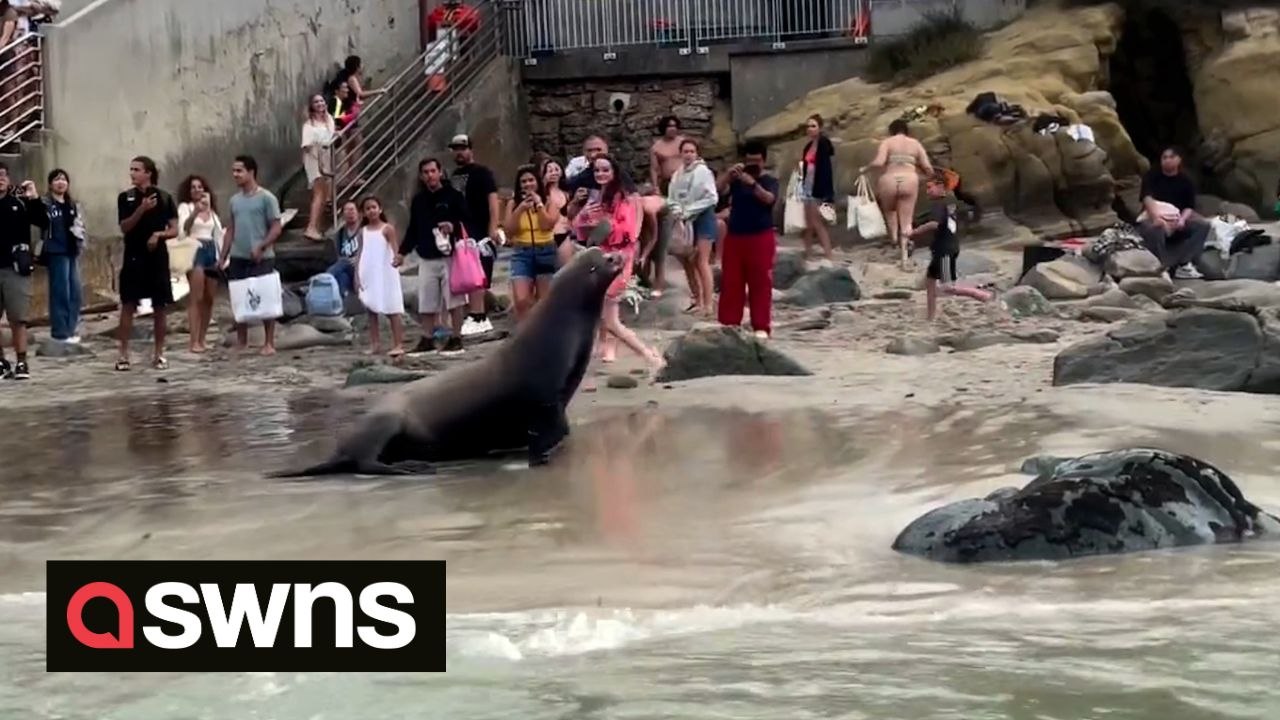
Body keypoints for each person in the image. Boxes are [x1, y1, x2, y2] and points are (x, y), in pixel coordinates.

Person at [568, 155, 664, 373]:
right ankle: (645, 355)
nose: (600, 174)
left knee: (610, 318)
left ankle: (649, 356)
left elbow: (629, 233)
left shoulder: (626, 199)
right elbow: (579, 229)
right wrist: (585, 217)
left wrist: (605, 224)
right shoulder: (599, 198)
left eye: (605, 170)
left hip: (619, 260)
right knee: (606, 317)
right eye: (597, 171)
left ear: (614, 172)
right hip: (602, 257)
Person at [397, 157, 469, 356]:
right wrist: (402, 252)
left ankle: (456, 337)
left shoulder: (453, 195)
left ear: (440, 172)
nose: (430, 175)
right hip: (426, 256)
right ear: (421, 176)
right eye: (426, 172)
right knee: (427, 301)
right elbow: (413, 229)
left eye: (432, 171)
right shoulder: (419, 200)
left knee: (454, 300)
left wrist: (452, 226)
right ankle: (427, 338)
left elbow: (466, 220)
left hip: (450, 254)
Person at [115, 156, 176, 372]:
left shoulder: (165, 197)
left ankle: (159, 353)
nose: (132, 173)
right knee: (128, 305)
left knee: (160, 307)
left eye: (137, 169)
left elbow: (175, 229)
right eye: (131, 169)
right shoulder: (126, 198)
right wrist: (141, 209)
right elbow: (125, 227)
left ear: (148, 173)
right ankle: (123, 353)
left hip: (157, 257)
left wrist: (159, 235)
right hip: (133, 256)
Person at [219, 154, 284, 356]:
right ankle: (242, 341)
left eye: (239, 170)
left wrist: (262, 246)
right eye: (233, 171)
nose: (235, 175)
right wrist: (223, 255)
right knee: (239, 298)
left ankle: (269, 342)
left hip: (262, 256)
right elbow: (231, 228)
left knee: (266, 298)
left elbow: (276, 227)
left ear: (251, 172)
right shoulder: (234, 200)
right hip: (239, 255)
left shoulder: (266, 198)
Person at [908, 173, 994, 321]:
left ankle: (981, 295)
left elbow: (934, 224)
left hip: (945, 250)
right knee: (930, 282)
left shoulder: (939, 204)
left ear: (941, 186)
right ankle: (931, 317)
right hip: (943, 249)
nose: (927, 191)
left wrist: (914, 232)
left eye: (930, 187)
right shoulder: (949, 202)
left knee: (947, 287)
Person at [716, 142, 779, 339]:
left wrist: (752, 183)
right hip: (735, 236)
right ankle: (729, 323)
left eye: (757, 161)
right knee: (731, 281)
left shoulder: (769, 180)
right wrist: (729, 175)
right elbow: (716, 190)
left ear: (764, 161)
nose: (753, 164)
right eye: (749, 161)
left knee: (760, 281)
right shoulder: (736, 180)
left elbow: (769, 199)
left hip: (760, 236)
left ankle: (761, 325)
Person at [448, 133, 500, 336]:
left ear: (471, 150)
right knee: (465, 274)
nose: (459, 152)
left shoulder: (482, 173)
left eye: (462, 148)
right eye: (455, 149)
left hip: (479, 228)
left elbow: (493, 200)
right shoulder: (452, 176)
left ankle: (479, 316)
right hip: (460, 230)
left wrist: (493, 228)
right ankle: (474, 314)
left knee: (479, 273)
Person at [865, 119, 933, 269]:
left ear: (891, 131)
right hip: (909, 180)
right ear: (906, 130)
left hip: (889, 180)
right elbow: (928, 168)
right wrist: (925, 176)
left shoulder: (887, 143)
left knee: (890, 211)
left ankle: (894, 239)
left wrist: (865, 168)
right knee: (906, 220)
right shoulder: (915, 144)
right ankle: (904, 258)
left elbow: (879, 162)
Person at [0, 163, 45, 379]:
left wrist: (34, 198)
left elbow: (43, 221)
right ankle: (1, 361)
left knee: (18, 318)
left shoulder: (19, 202)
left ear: (8, 180)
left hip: (15, 267)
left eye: (2, 176)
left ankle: (21, 361)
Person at [1137, 146, 1209, 280]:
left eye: (1171, 157)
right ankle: (1160, 267)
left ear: (1179, 160)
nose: (1167, 160)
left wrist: (1182, 220)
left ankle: (1184, 263)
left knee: (1203, 225)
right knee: (1154, 228)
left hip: (1177, 216)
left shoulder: (1186, 180)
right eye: (1164, 158)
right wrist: (1157, 218)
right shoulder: (1152, 176)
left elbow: (1189, 206)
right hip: (1155, 215)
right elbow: (1147, 198)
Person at [666, 138, 719, 316]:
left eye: (691, 151)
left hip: (702, 218)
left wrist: (689, 210)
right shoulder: (677, 174)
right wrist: (677, 210)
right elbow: (671, 197)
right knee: (688, 261)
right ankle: (696, 298)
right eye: (685, 151)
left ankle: (708, 303)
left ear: (696, 154)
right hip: (684, 221)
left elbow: (711, 197)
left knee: (702, 260)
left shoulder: (703, 172)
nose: (688, 155)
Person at [503, 164, 560, 321]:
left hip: (545, 251)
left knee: (546, 302)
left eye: (531, 180)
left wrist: (539, 205)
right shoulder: (512, 203)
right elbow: (509, 230)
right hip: (522, 252)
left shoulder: (549, 201)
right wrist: (521, 208)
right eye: (523, 181)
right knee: (521, 300)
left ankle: (544, 335)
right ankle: (525, 334)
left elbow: (546, 225)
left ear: (538, 182)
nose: (528, 184)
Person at [175, 174, 224, 353]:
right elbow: (183, 231)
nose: (197, 190)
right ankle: (193, 340)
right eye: (193, 187)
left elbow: (218, 234)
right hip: (194, 250)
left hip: (211, 250)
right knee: (197, 297)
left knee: (209, 298)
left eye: (200, 187)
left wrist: (222, 257)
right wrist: (195, 212)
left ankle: (202, 339)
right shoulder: (185, 208)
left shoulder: (211, 211)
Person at [354, 195, 406, 357]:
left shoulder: (387, 229)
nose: (371, 211)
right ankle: (375, 343)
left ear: (380, 209)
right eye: (367, 209)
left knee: (392, 308)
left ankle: (398, 343)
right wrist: (357, 274)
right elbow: (360, 253)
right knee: (371, 310)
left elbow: (395, 250)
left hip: (385, 272)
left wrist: (397, 260)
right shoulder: (363, 231)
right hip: (369, 271)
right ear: (363, 213)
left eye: (374, 207)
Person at [39, 168, 86, 345]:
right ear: (50, 184)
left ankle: (70, 328)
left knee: (75, 292)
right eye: (57, 180)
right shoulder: (45, 204)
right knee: (60, 292)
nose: (61, 183)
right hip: (55, 250)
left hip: (72, 250)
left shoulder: (72, 204)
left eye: (64, 180)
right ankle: (60, 332)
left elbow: (80, 225)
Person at [797, 113, 835, 260]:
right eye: (808, 126)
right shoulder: (808, 146)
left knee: (816, 222)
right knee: (808, 223)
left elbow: (826, 169)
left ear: (820, 128)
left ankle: (828, 254)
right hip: (807, 185)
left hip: (817, 187)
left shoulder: (824, 143)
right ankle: (808, 252)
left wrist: (827, 192)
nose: (810, 129)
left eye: (813, 126)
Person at [301, 93, 336, 241]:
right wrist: (318, 161)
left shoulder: (329, 120)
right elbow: (307, 146)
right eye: (316, 102)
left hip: (327, 158)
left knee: (324, 194)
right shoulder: (309, 125)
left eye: (322, 100)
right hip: (315, 160)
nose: (320, 103)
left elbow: (331, 136)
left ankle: (316, 226)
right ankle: (311, 226)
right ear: (312, 106)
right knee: (319, 193)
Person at [540, 158, 575, 268]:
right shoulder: (541, 193)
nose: (553, 172)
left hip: (563, 235)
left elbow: (569, 214)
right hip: (546, 236)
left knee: (565, 271)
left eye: (556, 169)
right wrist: (543, 183)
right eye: (549, 170)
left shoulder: (566, 193)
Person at [325, 199, 362, 296]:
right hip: (346, 267)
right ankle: (345, 298)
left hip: (361, 267)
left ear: (358, 213)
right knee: (342, 275)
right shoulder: (340, 234)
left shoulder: (364, 231)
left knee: (344, 262)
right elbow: (339, 255)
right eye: (347, 210)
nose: (350, 213)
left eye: (352, 210)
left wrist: (357, 259)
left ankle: (323, 278)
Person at [649, 115, 685, 195]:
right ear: (664, 128)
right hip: (668, 182)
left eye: (675, 126)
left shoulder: (683, 142)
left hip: (685, 180)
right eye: (669, 126)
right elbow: (654, 169)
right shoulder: (656, 147)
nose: (673, 129)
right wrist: (655, 187)